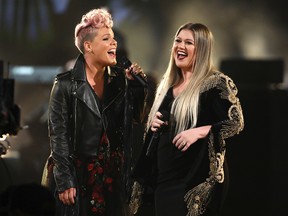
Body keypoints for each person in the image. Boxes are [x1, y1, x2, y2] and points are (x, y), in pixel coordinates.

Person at [129, 22, 244, 216]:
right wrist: (153, 124)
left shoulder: (214, 84)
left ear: (202, 49)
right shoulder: (167, 87)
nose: (180, 46)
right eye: (178, 40)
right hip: (163, 182)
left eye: (189, 43)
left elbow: (236, 122)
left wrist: (199, 131)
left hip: (192, 183)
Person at [41, 8, 147, 216]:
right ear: (88, 46)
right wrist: (64, 181)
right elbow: (58, 136)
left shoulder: (121, 81)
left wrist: (137, 89)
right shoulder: (64, 85)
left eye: (114, 38)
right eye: (106, 38)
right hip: (78, 176)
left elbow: (136, 118)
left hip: (112, 178)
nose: (114, 43)